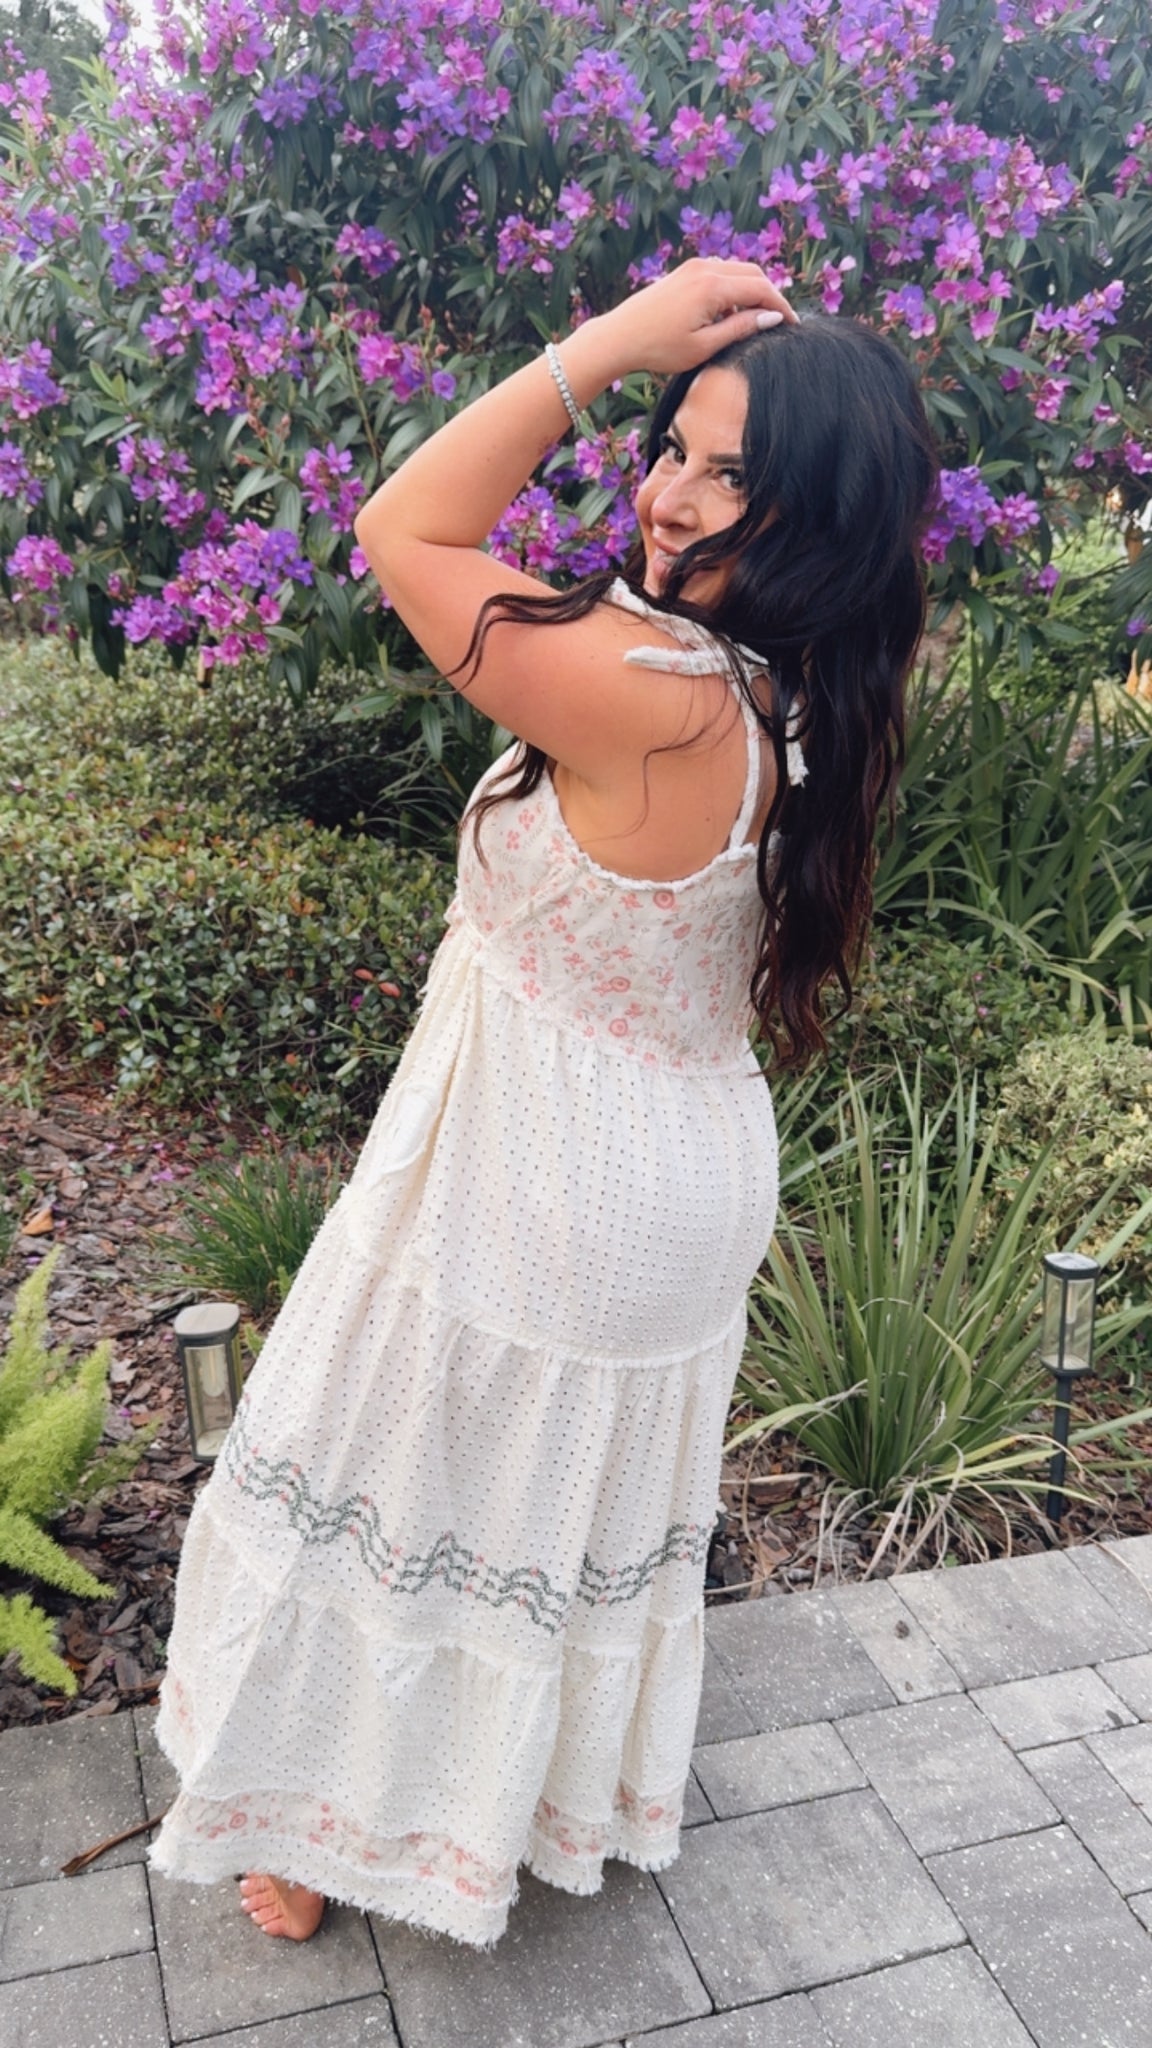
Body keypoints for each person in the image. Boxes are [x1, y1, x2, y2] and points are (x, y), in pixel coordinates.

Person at [148, 258, 939, 1950]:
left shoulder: (653, 691)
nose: (666, 492)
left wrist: (607, 350)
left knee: (395, 1479)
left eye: (729, 473)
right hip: (667, 1154)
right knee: (541, 1517)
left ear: (820, 514)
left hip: (551, 1172)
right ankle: (491, 1807)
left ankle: (321, 1819)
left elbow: (402, 528)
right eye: (670, 445)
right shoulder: (797, 687)